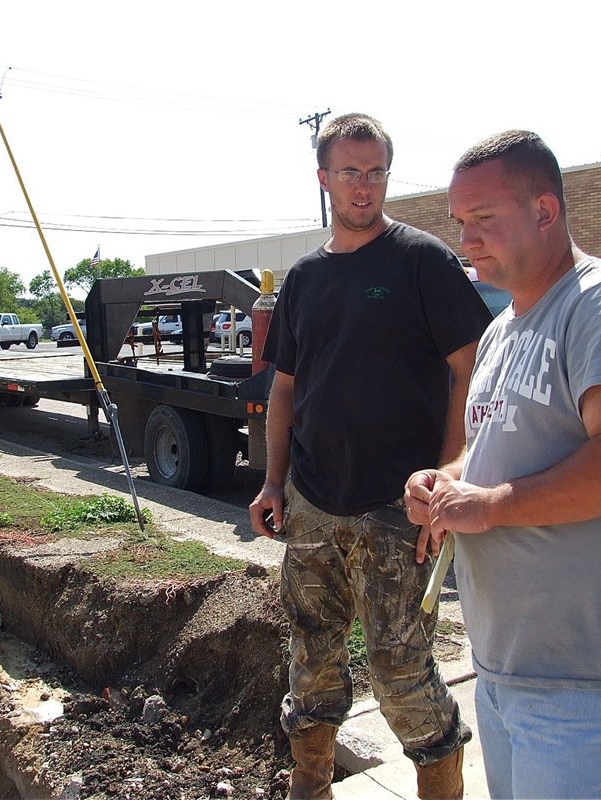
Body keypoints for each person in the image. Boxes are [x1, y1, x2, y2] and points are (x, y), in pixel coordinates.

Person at [404, 130, 601, 799]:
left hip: (591, 681)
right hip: (510, 667)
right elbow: (498, 444)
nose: (466, 240)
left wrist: (494, 505)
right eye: (460, 224)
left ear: (545, 211)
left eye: (484, 220)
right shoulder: (504, 330)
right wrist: (449, 482)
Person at [248, 112, 493, 800]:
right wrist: (274, 484)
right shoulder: (303, 279)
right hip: (313, 505)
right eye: (351, 172)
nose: (365, 186)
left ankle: (441, 787)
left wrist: (448, 479)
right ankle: (311, 786)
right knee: (312, 658)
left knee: (400, 668)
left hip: (398, 507)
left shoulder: (422, 261)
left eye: (377, 171)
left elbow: (469, 370)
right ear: (324, 178)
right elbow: (286, 388)